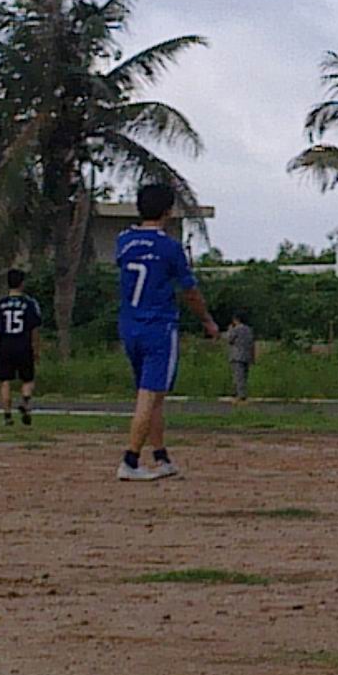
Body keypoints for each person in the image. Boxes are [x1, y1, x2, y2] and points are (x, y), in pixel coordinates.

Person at [115, 182, 219, 481]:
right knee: (149, 396)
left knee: (152, 394)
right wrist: (207, 320)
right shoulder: (170, 247)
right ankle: (130, 460)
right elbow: (190, 290)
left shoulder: (124, 241)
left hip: (130, 324)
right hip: (158, 327)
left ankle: (161, 456)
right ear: (168, 211)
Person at [0, 267, 43, 426]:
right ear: (22, 283)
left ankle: (7, 415)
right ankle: (25, 402)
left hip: (5, 345)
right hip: (23, 345)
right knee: (27, 379)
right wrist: (36, 349)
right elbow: (34, 329)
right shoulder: (30, 304)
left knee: (4, 381)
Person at [224, 312, 255, 401]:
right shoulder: (249, 330)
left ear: (236, 320)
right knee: (244, 376)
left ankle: (240, 394)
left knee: (238, 376)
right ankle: (239, 392)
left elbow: (230, 340)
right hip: (247, 355)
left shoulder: (236, 329)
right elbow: (252, 343)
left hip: (237, 355)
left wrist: (230, 330)